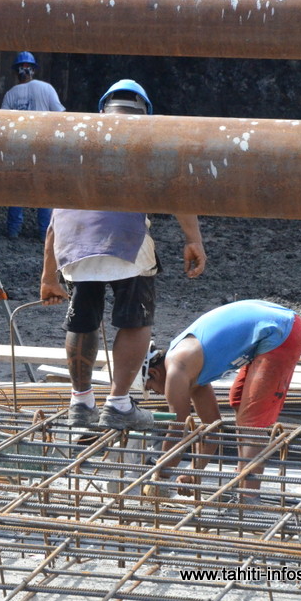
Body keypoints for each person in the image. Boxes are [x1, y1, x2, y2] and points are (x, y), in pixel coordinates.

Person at [40, 79, 207, 430]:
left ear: (104, 109)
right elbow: (176, 192)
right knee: (136, 318)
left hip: (73, 243)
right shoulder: (147, 139)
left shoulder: (77, 141)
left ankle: (80, 403)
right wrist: (194, 239)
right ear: (144, 113)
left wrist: (48, 276)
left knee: (83, 317)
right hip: (123, 240)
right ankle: (118, 404)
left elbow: (57, 219)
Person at [143, 300, 301, 497]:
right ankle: (244, 478)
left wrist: (159, 475)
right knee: (238, 401)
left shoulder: (176, 369)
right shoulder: (191, 374)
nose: (156, 394)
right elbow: (213, 430)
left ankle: (248, 500)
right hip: (276, 326)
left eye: (150, 388)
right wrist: (194, 471)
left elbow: (179, 429)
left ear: (153, 372)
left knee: (251, 422)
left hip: (281, 330)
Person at [1, 51, 65, 239]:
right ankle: (45, 233)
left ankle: (13, 231)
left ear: (16, 72)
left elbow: (2, 123)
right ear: (33, 70)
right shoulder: (46, 89)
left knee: (18, 189)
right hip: (44, 148)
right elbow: (61, 116)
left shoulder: (11, 94)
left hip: (20, 149)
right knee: (44, 190)